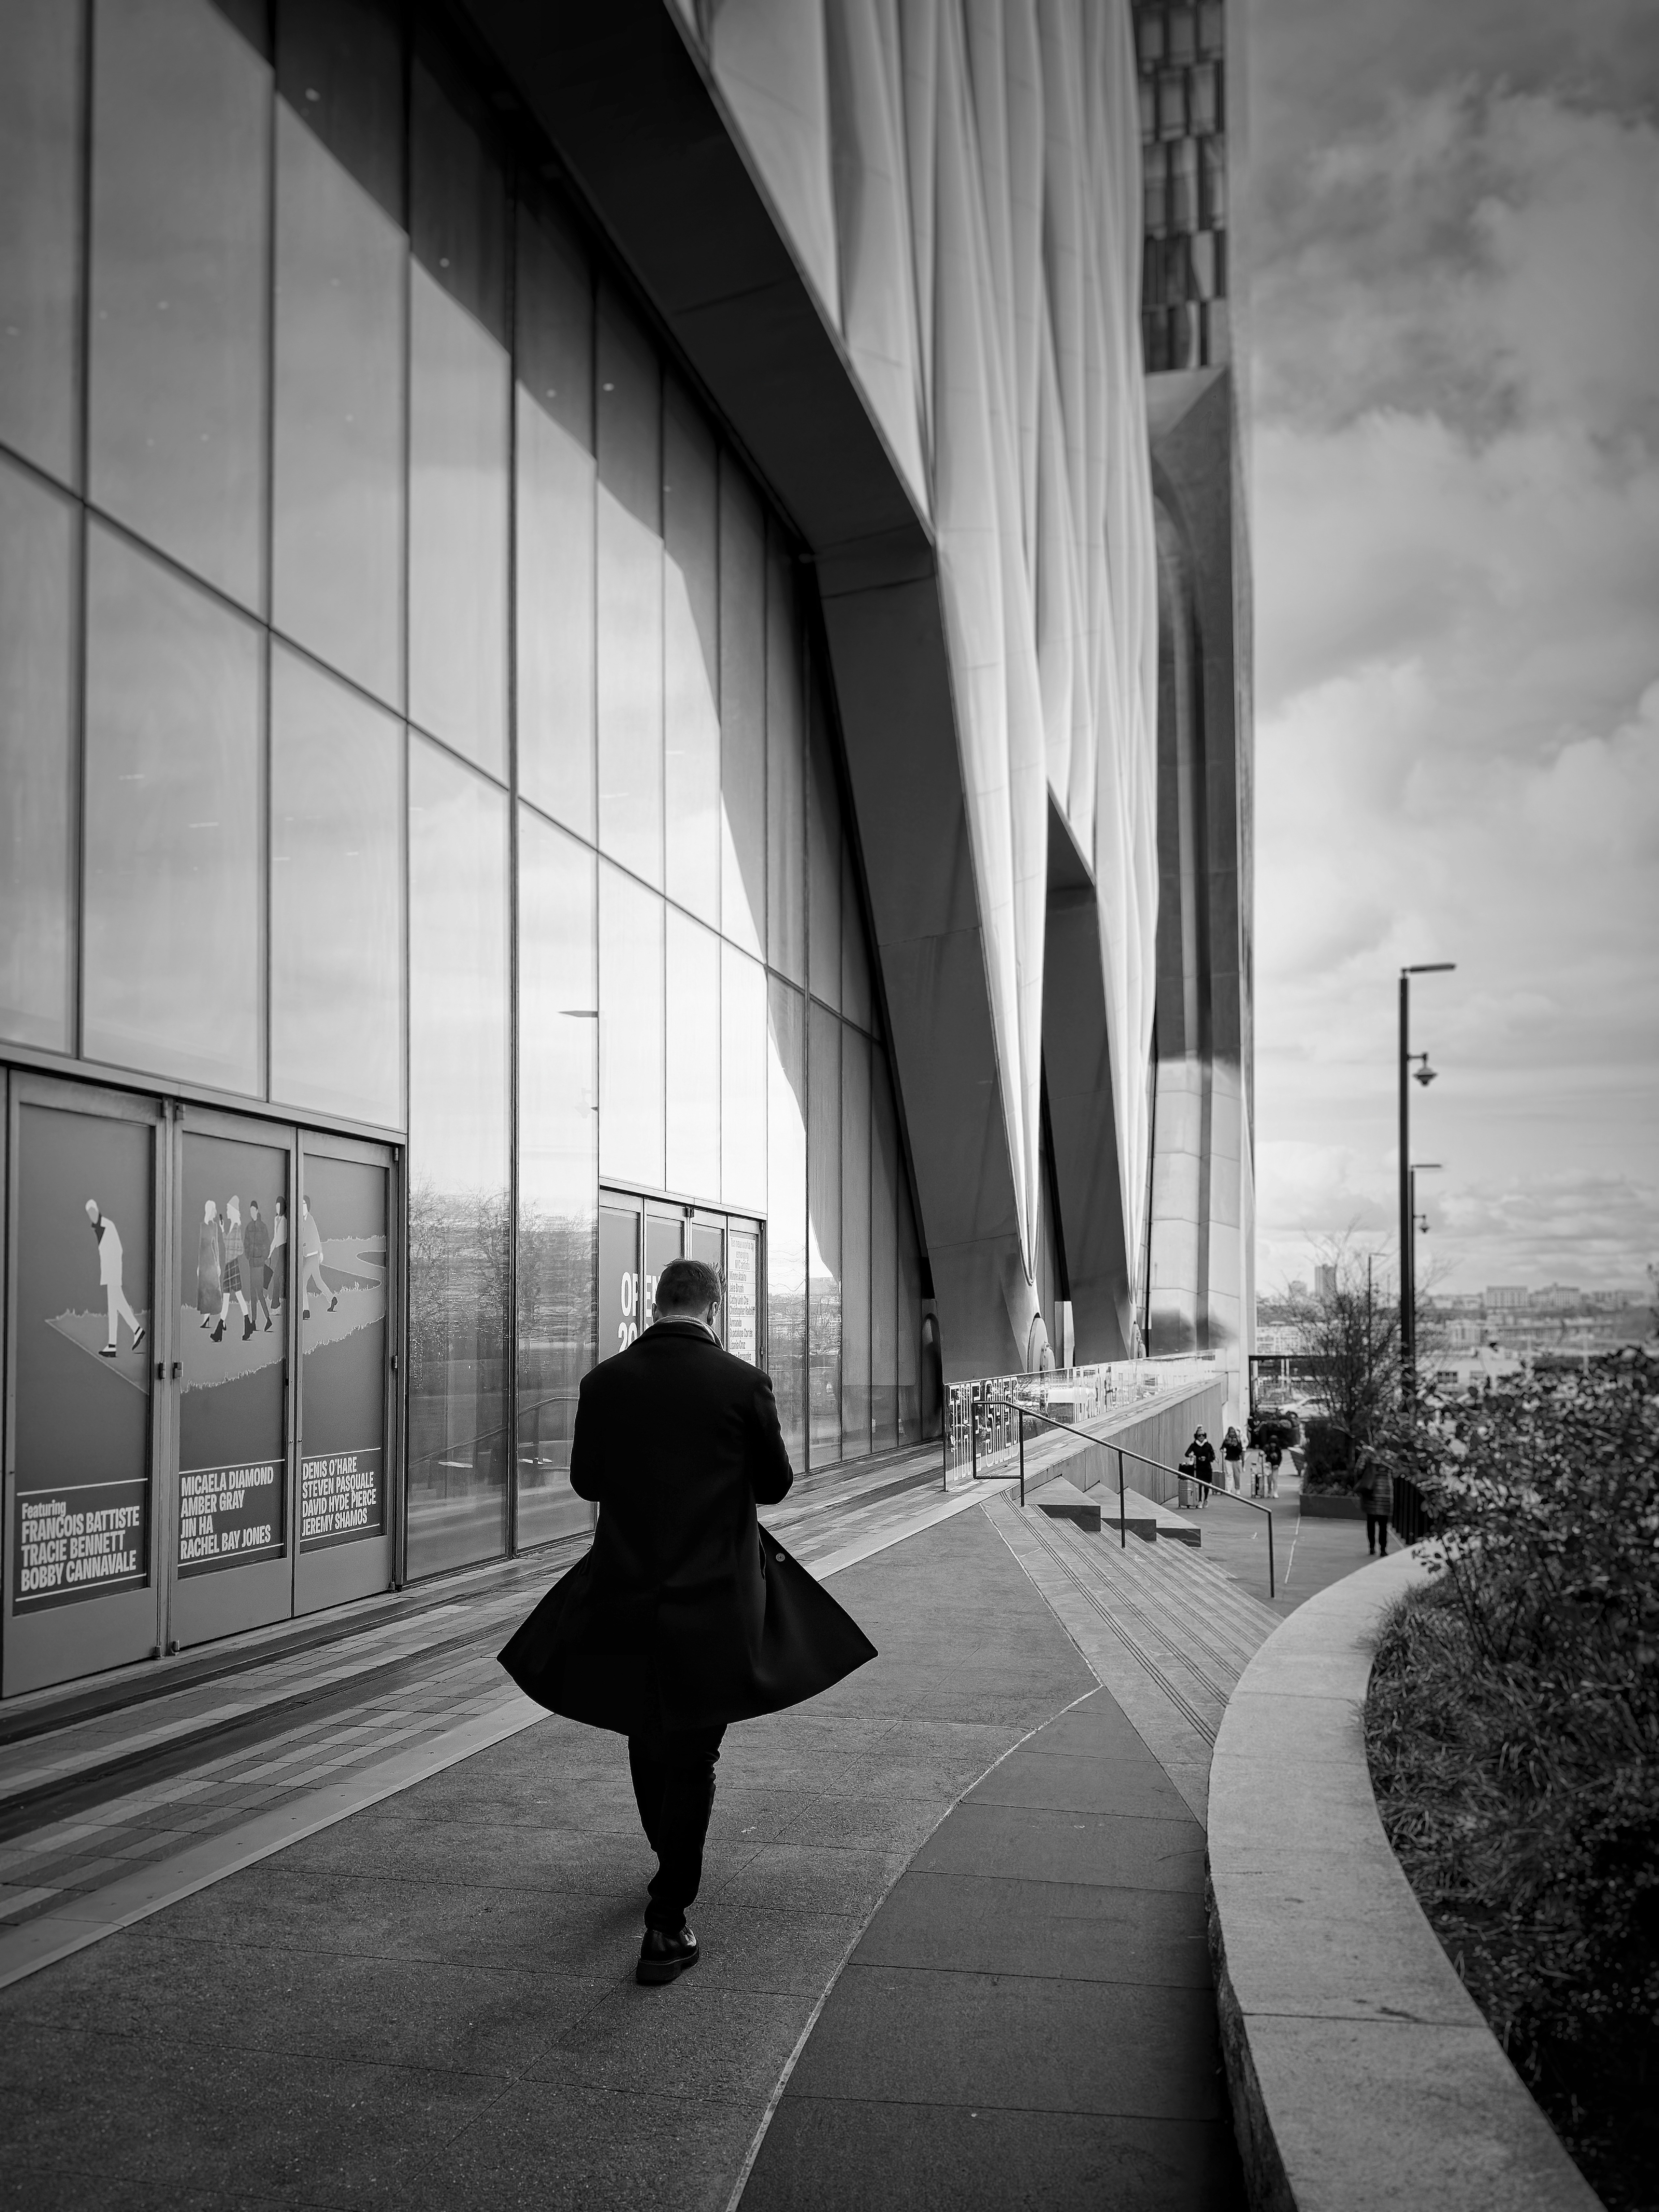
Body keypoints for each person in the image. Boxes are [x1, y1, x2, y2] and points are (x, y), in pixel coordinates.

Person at [499, 1256, 876, 1988]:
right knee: (695, 1751)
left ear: (658, 1304)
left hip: (625, 1590)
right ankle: (666, 1918)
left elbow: (586, 1482)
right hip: (714, 1598)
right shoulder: (741, 1383)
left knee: (646, 1728)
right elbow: (774, 1485)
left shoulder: (603, 1382)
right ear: (714, 1304)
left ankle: (666, 1863)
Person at [85, 1199, 144, 1357]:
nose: (91, 1216)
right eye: (89, 1214)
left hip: (113, 1271)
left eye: (92, 1212)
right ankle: (137, 1331)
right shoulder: (98, 1228)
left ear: (97, 1211)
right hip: (109, 1272)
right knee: (119, 1305)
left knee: (115, 1306)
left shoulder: (108, 1225)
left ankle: (113, 1345)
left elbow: (118, 1249)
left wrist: (113, 1270)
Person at [215, 1196, 253, 1343]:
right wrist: (223, 1229)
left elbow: (241, 1249)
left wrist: (233, 1253)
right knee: (231, 1297)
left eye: (228, 1210)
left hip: (233, 1265)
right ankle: (222, 1330)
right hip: (229, 1266)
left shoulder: (237, 1227)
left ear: (233, 1211)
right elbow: (227, 1245)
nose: (227, 1212)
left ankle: (244, 1325)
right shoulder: (232, 1227)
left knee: (238, 1296)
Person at [299, 1196, 335, 1321]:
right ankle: (332, 1298)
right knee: (318, 1282)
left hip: (312, 1255)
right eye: (301, 1204)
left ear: (307, 1206)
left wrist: (320, 1252)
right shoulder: (302, 1220)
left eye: (304, 1204)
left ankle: (306, 1310)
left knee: (302, 1282)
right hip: (308, 1255)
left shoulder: (310, 1219)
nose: (302, 1206)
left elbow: (315, 1237)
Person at [1356, 1447, 1393, 1556]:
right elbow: (1396, 1472)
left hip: (1377, 1491)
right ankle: (1378, 1548)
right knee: (1378, 1523)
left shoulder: (1377, 1454)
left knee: (1376, 1522)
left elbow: (1359, 1469)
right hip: (1379, 1492)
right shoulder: (1386, 1455)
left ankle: (1377, 1548)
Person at [244, 1199, 273, 1332]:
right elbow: (246, 1244)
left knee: (259, 1293)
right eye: (250, 1211)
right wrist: (249, 1256)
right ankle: (254, 1321)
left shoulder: (263, 1227)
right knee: (253, 1294)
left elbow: (267, 1244)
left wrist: (263, 1258)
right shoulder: (249, 1227)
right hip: (252, 1264)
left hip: (259, 1265)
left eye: (253, 1210)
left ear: (257, 1211)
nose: (251, 1213)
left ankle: (268, 1319)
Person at [196, 1199, 222, 1327]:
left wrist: (218, 1264)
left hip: (212, 1260)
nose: (215, 1213)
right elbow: (201, 1246)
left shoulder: (214, 1226)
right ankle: (206, 1319)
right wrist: (199, 1265)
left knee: (212, 1288)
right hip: (204, 1261)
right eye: (214, 1210)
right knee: (204, 1289)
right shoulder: (202, 1226)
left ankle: (218, 1317)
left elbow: (216, 1245)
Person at [268, 1195, 288, 1311]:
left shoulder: (285, 1220)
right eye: (276, 1206)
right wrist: (270, 1253)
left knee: (277, 1277)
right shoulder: (277, 1220)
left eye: (279, 1206)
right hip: (279, 1250)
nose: (277, 1208)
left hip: (284, 1249)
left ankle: (277, 1303)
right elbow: (276, 1238)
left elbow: (282, 1238)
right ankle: (277, 1303)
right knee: (278, 1277)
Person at [1221, 1425, 1244, 1494]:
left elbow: (1241, 1450)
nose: (1232, 1433)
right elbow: (1222, 1447)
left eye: (1233, 1432)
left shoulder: (1238, 1440)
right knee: (1229, 1474)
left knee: (1237, 1475)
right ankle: (1229, 1489)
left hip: (1236, 1460)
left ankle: (1238, 1489)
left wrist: (1236, 1445)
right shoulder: (1226, 1440)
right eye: (1231, 1432)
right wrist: (1224, 1449)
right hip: (1228, 1459)